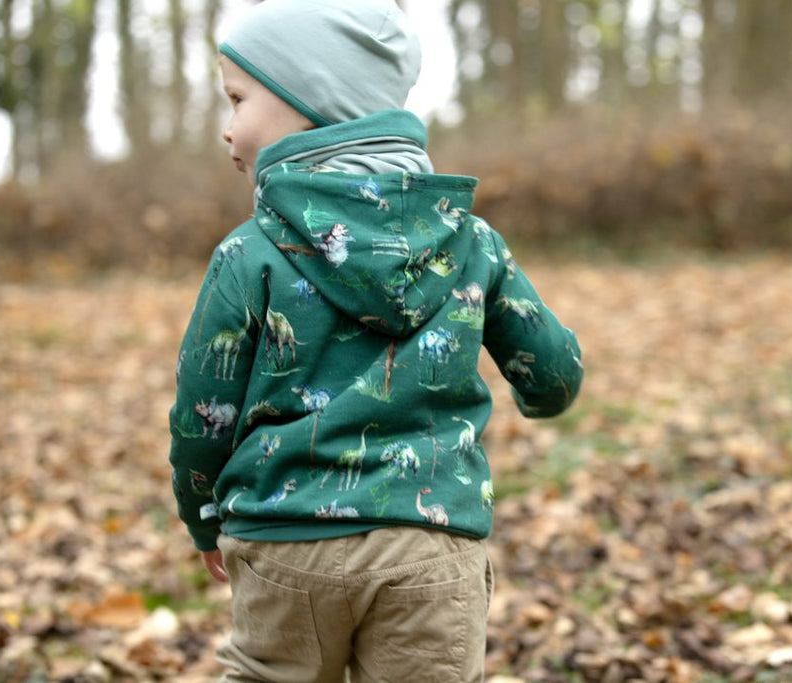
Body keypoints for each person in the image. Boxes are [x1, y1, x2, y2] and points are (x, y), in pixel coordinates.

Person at [167, 1, 584, 680]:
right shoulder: (471, 243)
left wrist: (203, 513)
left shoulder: (248, 255)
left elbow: (201, 412)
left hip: (286, 542)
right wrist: (542, 393)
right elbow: (556, 371)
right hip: (431, 545)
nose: (227, 127)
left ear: (310, 104)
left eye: (237, 99)